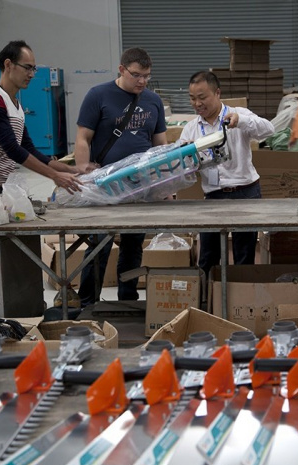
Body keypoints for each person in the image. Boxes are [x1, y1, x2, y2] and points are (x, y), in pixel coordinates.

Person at [75, 47, 167, 307]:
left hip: (140, 186)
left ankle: (128, 299)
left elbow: (160, 145)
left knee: (133, 244)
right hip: (104, 186)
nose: (142, 81)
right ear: (121, 70)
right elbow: (83, 138)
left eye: (147, 76)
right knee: (99, 244)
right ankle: (88, 302)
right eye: (136, 75)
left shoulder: (153, 100)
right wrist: (82, 173)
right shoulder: (98, 95)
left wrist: (166, 183)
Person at [0, 40, 81, 218]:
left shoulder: (16, 105)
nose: (31, 74)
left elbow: (29, 149)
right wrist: (54, 176)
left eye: (33, 69)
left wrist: (70, 170)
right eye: (27, 68)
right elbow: (12, 148)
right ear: (8, 65)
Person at [180, 71, 275, 282]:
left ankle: (240, 298)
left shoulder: (238, 114)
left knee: (244, 255)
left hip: (246, 192)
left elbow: (269, 129)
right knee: (208, 256)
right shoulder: (191, 129)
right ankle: (207, 297)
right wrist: (188, 157)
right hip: (214, 196)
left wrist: (242, 121)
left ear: (217, 93)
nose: (197, 103)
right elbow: (183, 168)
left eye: (202, 97)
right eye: (192, 98)